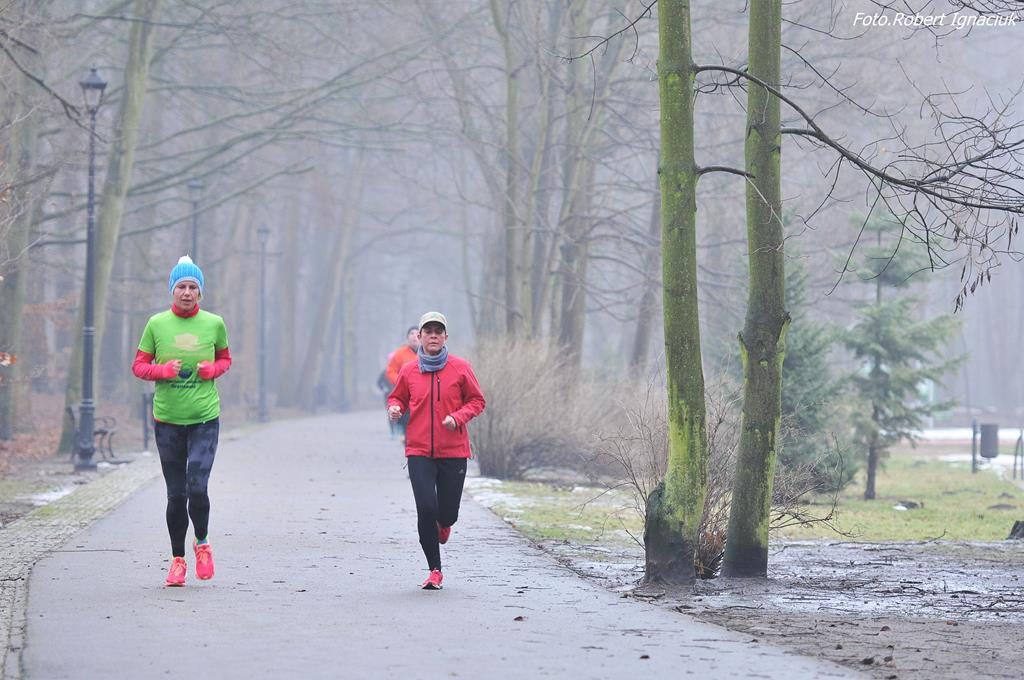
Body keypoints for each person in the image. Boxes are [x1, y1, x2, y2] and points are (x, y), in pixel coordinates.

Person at [132, 255, 232, 587]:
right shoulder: (156, 324)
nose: (187, 292)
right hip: (168, 420)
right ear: (172, 291)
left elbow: (225, 359)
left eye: (192, 287)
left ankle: (202, 543)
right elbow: (139, 366)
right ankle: (177, 561)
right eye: (181, 287)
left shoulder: (214, 323)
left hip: (204, 419)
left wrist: (212, 370)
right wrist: (162, 371)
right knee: (176, 495)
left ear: (200, 292)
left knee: (197, 487)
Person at [387, 311, 485, 590]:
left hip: (453, 451)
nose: (433, 336)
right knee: (426, 509)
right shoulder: (409, 370)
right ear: (419, 337)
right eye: (427, 331)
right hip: (419, 451)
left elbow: (477, 401)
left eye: (437, 331)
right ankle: (435, 570)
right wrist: (395, 408)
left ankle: (445, 524)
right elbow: (397, 397)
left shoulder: (460, 367)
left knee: (447, 514)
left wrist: (458, 417)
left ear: (445, 337)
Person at [383, 326, 420, 441]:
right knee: (406, 423)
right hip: (405, 395)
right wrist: (401, 381)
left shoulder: (428, 354)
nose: (414, 337)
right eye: (411, 334)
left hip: (422, 394)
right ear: (407, 337)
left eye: (417, 334)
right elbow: (390, 371)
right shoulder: (399, 354)